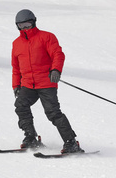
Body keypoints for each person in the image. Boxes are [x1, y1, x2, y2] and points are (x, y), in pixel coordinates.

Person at [11, 9, 84, 154]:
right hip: (27, 84)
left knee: (53, 113)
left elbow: (58, 54)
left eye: (27, 24)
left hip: (46, 82)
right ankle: (31, 138)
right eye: (21, 25)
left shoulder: (46, 37)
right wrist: (16, 86)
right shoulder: (17, 43)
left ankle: (71, 142)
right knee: (20, 106)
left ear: (33, 22)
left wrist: (56, 70)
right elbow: (16, 68)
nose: (25, 28)